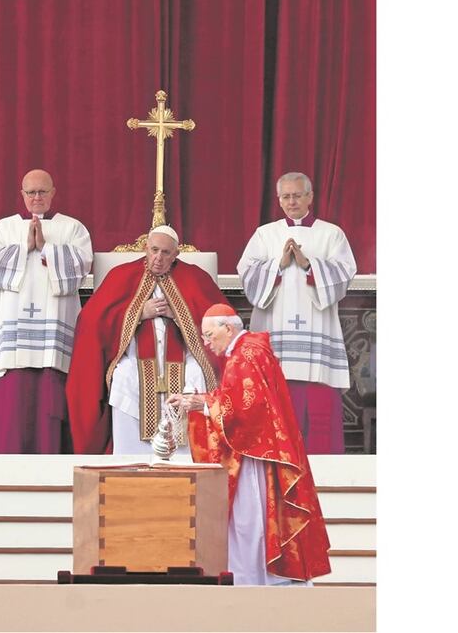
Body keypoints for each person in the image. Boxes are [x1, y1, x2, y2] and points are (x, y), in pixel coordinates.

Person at [168, 303, 331, 585]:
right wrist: (203, 401)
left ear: (227, 328)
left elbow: (245, 410)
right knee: (251, 521)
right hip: (259, 449)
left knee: (248, 521)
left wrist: (200, 403)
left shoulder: (246, 355)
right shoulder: (248, 352)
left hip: (254, 456)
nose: (206, 344)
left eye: (209, 335)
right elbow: (236, 398)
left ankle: (254, 580)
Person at [66, 225, 228, 455]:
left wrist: (179, 315)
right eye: (154, 250)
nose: (158, 258)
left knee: (197, 375)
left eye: (165, 253)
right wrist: (138, 313)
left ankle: (190, 457)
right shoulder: (121, 275)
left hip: (185, 356)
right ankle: (129, 456)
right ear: (145, 248)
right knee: (123, 376)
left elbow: (220, 322)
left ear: (176, 254)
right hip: (134, 357)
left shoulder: (195, 277)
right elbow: (92, 323)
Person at [236, 171, 357, 454]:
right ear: (279, 200)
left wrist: (307, 264)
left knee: (319, 410)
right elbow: (247, 273)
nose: (291, 201)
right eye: (286, 196)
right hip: (274, 331)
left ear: (310, 197)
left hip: (317, 332)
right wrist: (278, 265)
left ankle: (325, 470)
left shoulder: (331, 233)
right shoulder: (265, 234)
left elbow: (344, 273)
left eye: (297, 195)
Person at [0, 169, 92, 453]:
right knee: (12, 406)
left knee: (51, 398)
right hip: (12, 334)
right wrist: (25, 246)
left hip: (54, 336)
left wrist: (46, 248)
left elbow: (81, 267)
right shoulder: (2, 229)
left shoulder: (72, 228)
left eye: (42, 191)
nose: (37, 197)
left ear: (53, 193)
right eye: (31, 192)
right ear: (22, 195)